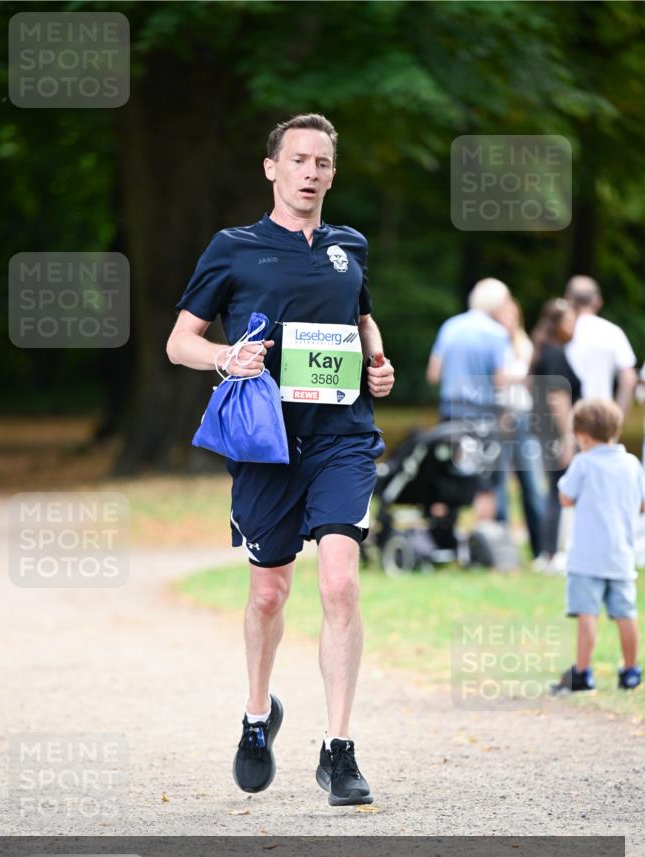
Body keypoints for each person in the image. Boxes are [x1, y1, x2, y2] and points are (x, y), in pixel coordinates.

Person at [166, 113, 395, 806]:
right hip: (266, 443)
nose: (309, 173)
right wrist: (225, 358)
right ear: (272, 168)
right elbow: (180, 342)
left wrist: (377, 363)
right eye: (297, 160)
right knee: (269, 592)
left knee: (339, 581)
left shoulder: (346, 245)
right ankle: (258, 715)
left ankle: (339, 750)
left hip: (341, 439)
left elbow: (360, 318)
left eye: (321, 162)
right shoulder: (233, 247)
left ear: (331, 171)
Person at [550, 399, 644, 694]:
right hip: (621, 555)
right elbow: (641, 504)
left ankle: (582, 674)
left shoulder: (583, 463)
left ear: (582, 436)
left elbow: (565, 498)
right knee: (626, 614)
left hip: (586, 557)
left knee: (586, 614)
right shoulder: (631, 463)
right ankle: (630, 671)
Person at [427, 278, 511, 520]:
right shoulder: (497, 334)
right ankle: (483, 538)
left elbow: (434, 374)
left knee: (446, 472)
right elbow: (500, 381)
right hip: (482, 414)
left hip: (451, 411)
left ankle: (441, 533)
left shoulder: (450, 326)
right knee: (484, 481)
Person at [529, 298, 582, 571]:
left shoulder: (541, 351)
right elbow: (557, 397)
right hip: (555, 433)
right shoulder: (555, 354)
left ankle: (547, 552)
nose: (574, 327)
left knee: (554, 490)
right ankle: (551, 553)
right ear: (559, 324)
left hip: (542, 431)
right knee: (559, 491)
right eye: (571, 321)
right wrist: (568, 436)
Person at [494, 297, 545, 559]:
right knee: (499, 486)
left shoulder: (523, 344)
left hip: (523, 418)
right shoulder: (493, 343)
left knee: (533, 485)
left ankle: (541, 550)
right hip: (498, 418)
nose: (507, 321)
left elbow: (527, 381)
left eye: (512, 315)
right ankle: (504, 553)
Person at [564, 275, 637, 412]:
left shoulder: (562, 333)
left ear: (568, 299)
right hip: (602, 415)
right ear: (598, 301)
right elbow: (628, 379)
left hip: (568, 415)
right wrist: (617, 417)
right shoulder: (613, 332)